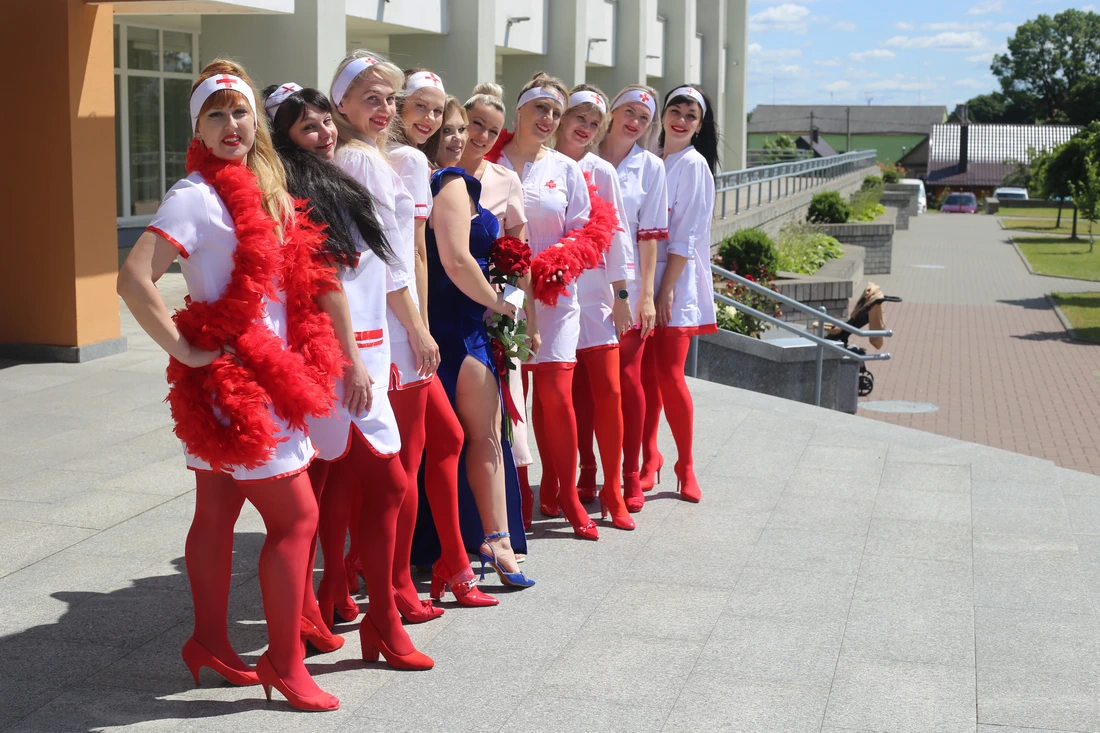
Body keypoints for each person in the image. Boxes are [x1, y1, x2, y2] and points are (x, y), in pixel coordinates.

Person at [117, 60, 341, 711]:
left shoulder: (265, 185)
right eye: (215, 114)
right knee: (297, 516)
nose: (230, 124)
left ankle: (211, 642)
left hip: (268, 370)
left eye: (239, 110)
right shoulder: (194, 195)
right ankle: (283, 661)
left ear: (256, 121)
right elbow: (134, 276)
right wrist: (184, 348)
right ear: (198, 129)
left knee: (215, 513)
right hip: (237, 382)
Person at [327, 49, 441, 668]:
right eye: (371, 97)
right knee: (385, 479)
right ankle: (381, 612)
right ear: (341, 101)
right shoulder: (359, 162)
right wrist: (417, 329)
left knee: (356, 477)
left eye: (389, 99)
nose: (384, 108)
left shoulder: (361, 157)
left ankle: (353, 603)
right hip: (373, 337)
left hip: (372, 331)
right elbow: (386, 260)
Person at [386, 68, 497, 612]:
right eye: (423, 110)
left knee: (442, 441)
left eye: (444, 116)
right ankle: (393, 576)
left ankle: (442, 565)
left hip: (411, 324)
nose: (433, 123)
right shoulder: (405, 162)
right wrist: (420, 328)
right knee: (405, 458)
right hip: (398, 328)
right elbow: (409, 258)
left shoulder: (417, 164)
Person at [419, 96, 535, 588]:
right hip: (455, 327)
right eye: (451, 127)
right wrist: (501, 303)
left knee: (463, 441)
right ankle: (489, 543)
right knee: (474, 439)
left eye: (461, 129)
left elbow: (513, 256)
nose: (461, 137)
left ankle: (486, 542)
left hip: (449, 324)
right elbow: (457, 261)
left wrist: (512, 305)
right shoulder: (444, 181)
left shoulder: (438, 179)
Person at [488, 71, 601, 541]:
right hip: (502, 296)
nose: (549, 119)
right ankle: (519, 494)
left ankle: (569, 496)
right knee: (510, 400)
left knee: (556, 397)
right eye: (541, 108)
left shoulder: (566, 168)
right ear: (519, 109)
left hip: (556, 298)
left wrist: (553, 266)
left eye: (556, 112)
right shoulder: (490, 160)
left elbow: (585, 231)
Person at [552, 84, 635, 532]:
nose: (584, 128)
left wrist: (622, 297)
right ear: (563, 119)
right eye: (578, 118)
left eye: (593, 122)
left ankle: (613, 488)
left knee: (609, 391)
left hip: (597, 292)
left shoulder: (601, 171)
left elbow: (618, 234)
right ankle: (563, 480)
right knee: (556, 397)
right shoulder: (540, 162)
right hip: (551, 294)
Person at [457, 83, 538, 530]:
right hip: (444, 310)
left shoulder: (506, 180)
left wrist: (518, 318)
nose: (483, 136)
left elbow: (519, 259)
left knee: (491, 426)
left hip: (490, 318)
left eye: (492, 130)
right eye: (476, 124)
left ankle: (494, 526)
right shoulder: (435, 171)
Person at [597, 85, 668, 512]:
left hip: (628, 285)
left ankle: (630, 474)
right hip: (586, 281)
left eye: (643, 118)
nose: (635, 123)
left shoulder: (651, 168)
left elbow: (650, 237)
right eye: (628, 112)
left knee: (627, 380)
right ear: (612, 112)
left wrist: (647, 297)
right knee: (587, 385)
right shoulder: (584, 152)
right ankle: (587, 470)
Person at [649, 84, 720, 503]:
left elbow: (686, 236)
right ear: (663, 114)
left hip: (673, 282)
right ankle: (649, 457)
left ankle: (685, 464)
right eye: (675, 110)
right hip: (642, 277)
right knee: (644, 376)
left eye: (691, 115)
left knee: (670, 375)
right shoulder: (650, 158)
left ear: (699, 125)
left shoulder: (693, 165)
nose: (681, 120)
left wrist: (665, 291)